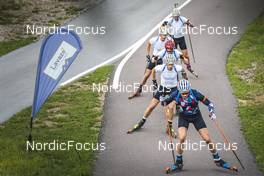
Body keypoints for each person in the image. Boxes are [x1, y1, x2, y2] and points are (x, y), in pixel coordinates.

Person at [163, 79, 236, 171]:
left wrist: (212, 112)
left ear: (189, 90)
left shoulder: (195, 93)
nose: (185, 95)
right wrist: (164, 101)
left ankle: (218, 160)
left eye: (186, 93)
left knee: (207, 139)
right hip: (184, 117)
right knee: (181, 138)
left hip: (196, 117)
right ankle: (179, 162)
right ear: (179, 91)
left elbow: (209, 103)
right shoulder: (176, 94)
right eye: (183, 93)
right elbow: (164, 103)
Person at [127, 54, 187, 137]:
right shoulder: (161, 67)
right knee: (151, 106)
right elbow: (154, 70)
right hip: (162, 89)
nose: (170, 66)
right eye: (169, 64)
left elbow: (183, 70)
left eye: (171, 64)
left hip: (173, 91)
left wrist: (185, 79)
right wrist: (154, 80)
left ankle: (169, 128)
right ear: (166, 63)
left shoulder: (177, 68)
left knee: (170, 109)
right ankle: (141, 123)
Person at [128, 26, 173, 99]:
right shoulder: (154, 40)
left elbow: (172, 46)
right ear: (160, 34)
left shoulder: (169, 39)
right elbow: (148, 44)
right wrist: (148, 55)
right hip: (154, 58)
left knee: (164, 75)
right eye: (163, 35)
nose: (165, 36)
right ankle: (138, 90)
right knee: (146, 75)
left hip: (163, 59)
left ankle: (166, 92)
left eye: (166, 35)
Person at [165, 8, 198, 77]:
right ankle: (172, 69)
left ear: (179, 15)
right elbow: (163, 25)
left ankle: (188, 67)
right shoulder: (170, 20)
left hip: (181, 38)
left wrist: (189, 23)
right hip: (174, 39)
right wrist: (168, 34)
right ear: (173, 16)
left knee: (186, 55)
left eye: (177, 16)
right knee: (173, 56)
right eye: (175, 16)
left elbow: (192, 25)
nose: (176, 17)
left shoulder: (182, 19)